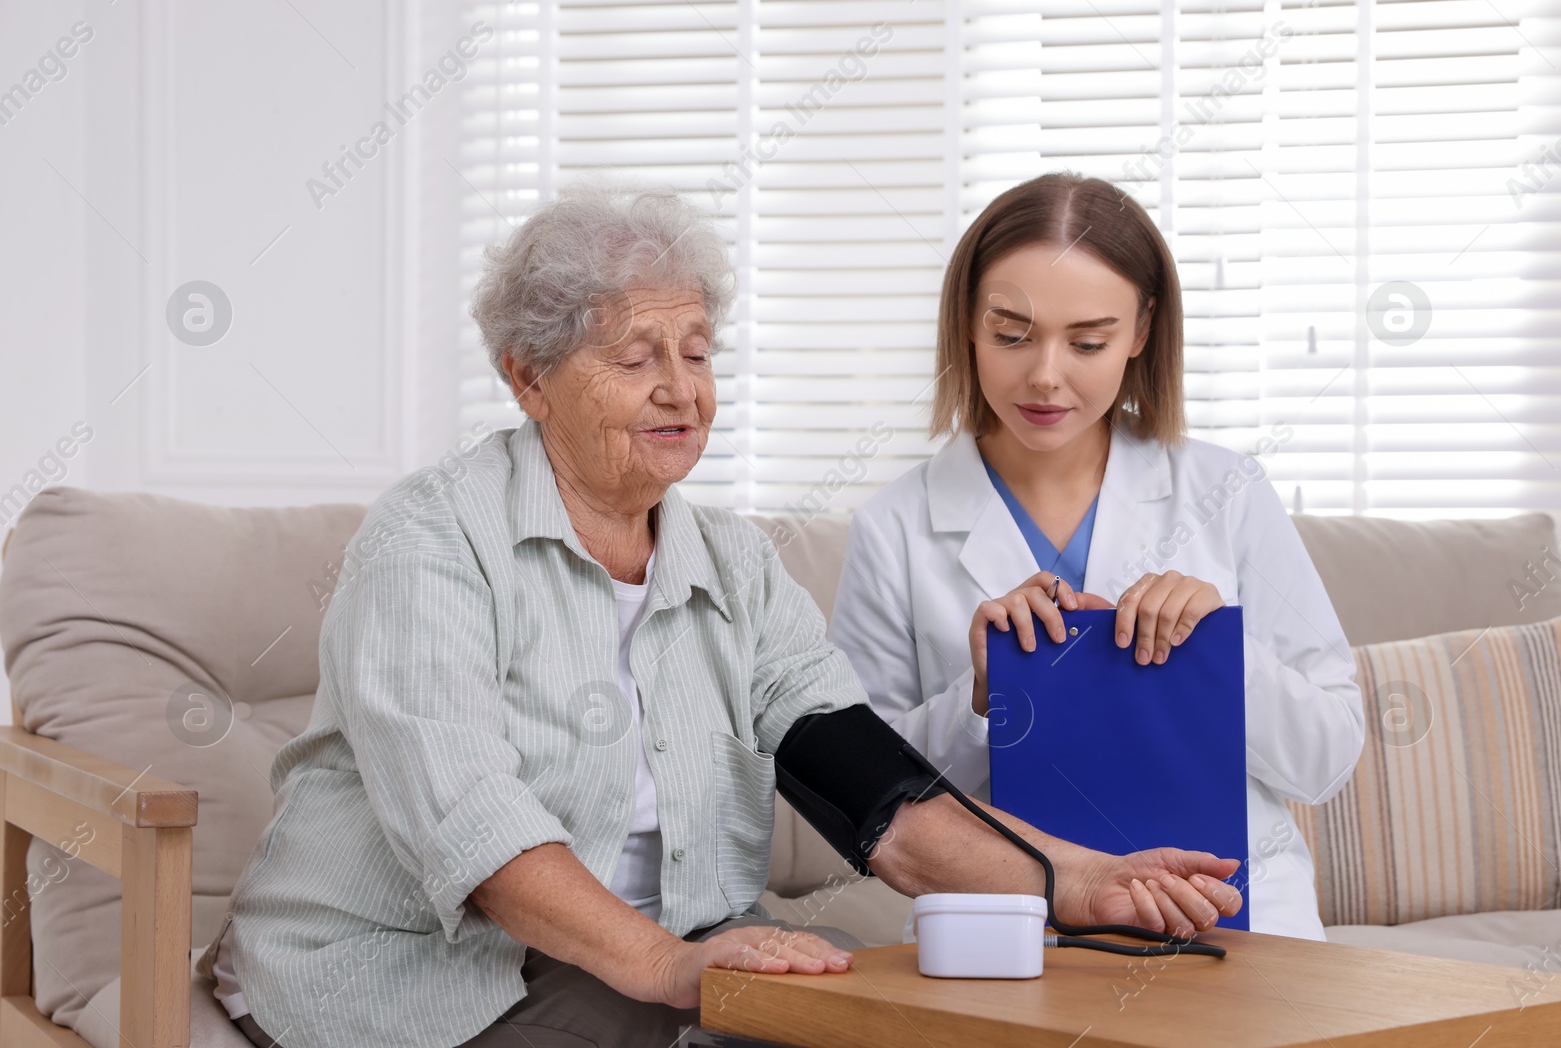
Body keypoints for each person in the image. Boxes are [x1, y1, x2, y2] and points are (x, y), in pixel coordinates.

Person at [200, 182, 1243, 1048]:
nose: (680, 392)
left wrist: (1074, 878)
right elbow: (473, 825)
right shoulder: (430, 542)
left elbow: (873, 787)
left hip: (654, 955)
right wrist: (668, 963)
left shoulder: (730, 562)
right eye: (634, 356)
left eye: (697, 353)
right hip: (413, 974)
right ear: (528, 377)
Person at [830, 172, 1364, 941]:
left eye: (1088, 341)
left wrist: (1220, 654)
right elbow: (866, 796)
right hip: (1009, 928)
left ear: (1142, 331)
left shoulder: (1228, 490)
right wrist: (980, 694)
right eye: (1012, 333)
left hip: (1232, 917)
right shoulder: (894, 526)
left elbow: (1328, 758)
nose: (1045, 373)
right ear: (968, 325)